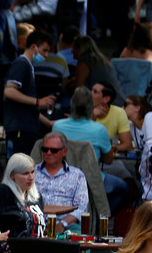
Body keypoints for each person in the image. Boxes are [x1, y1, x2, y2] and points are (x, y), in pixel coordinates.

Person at [54, 87, 128, 215]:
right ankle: (101, 219)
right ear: (90, 108)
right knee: (123, 188)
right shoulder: (99, 130)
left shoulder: (58, 126)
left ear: (72, 105)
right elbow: (109, 160)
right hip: (91, 180)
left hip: (62, 178)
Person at [3, 30, 58, 157]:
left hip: (26, 128)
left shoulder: (28, 66)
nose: (46, 55)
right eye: (44, 50)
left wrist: (48, 123)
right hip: (20, 129)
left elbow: (28, 107)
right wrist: (38, 101)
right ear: (34, 47)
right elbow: (9, 91)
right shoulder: (22, 64)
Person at [31, 132, 90, 233]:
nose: (48, 153)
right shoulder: (31, 172)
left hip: (66, 226)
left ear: (64, 151)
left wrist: (62, 224)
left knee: (80, 238)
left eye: (53, 150)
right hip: (34, 224)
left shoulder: (77, 175)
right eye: (45, 149)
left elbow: (82, 207)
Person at [0, 153, 46, 240]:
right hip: (14, 249)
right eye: (25, 173)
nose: (31, 177)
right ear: (12, 175)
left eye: (32, 172)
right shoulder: (5, 191)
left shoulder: (36, 196)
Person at [69, 35, 125, 106]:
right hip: (118, 100)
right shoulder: (100, 60)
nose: (71, 51)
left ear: (79, 49)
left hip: (109, 104)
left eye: (73, 48)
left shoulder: (84, 61)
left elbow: (78, 88)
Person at [91, 83, 134, 152]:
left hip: (109, 158)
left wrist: (108, 150)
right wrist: (92, 117)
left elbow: (127, 144)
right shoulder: (82, 110)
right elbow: (80, 139)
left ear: (106, 99)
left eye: (95, 92)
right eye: (91, 90)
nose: (90, 94)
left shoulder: (119, 113)